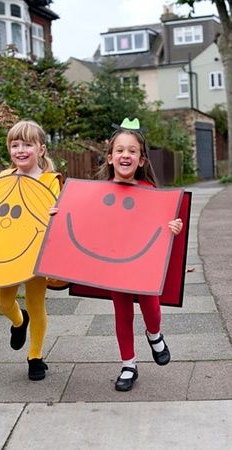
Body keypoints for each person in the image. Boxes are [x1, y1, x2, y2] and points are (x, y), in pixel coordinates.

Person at [96, 118, 183, 391]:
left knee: (151, 308)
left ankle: (154, 334)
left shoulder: (151, 192)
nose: (126, 155)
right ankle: (128, 365)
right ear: (110, 158)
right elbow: (88, 224)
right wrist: (62, 215)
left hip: (144, 266)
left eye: (132, 151)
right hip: (115, 265)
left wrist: (174, 227)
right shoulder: (98, 194)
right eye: (120, 150)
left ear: (141, 160)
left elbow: (162, 227)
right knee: (122, 313)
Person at [0, 120, 62, 381]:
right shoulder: (3, 177)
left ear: (41, 149)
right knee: (2, 302)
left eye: (27, 144)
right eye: (15, 145)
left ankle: (35, 357)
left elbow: (54, 213)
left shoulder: (50, 181)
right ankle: (18, 322)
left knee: (36, 304)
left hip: (36, 253)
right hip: (8, 253)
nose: (20, 150)